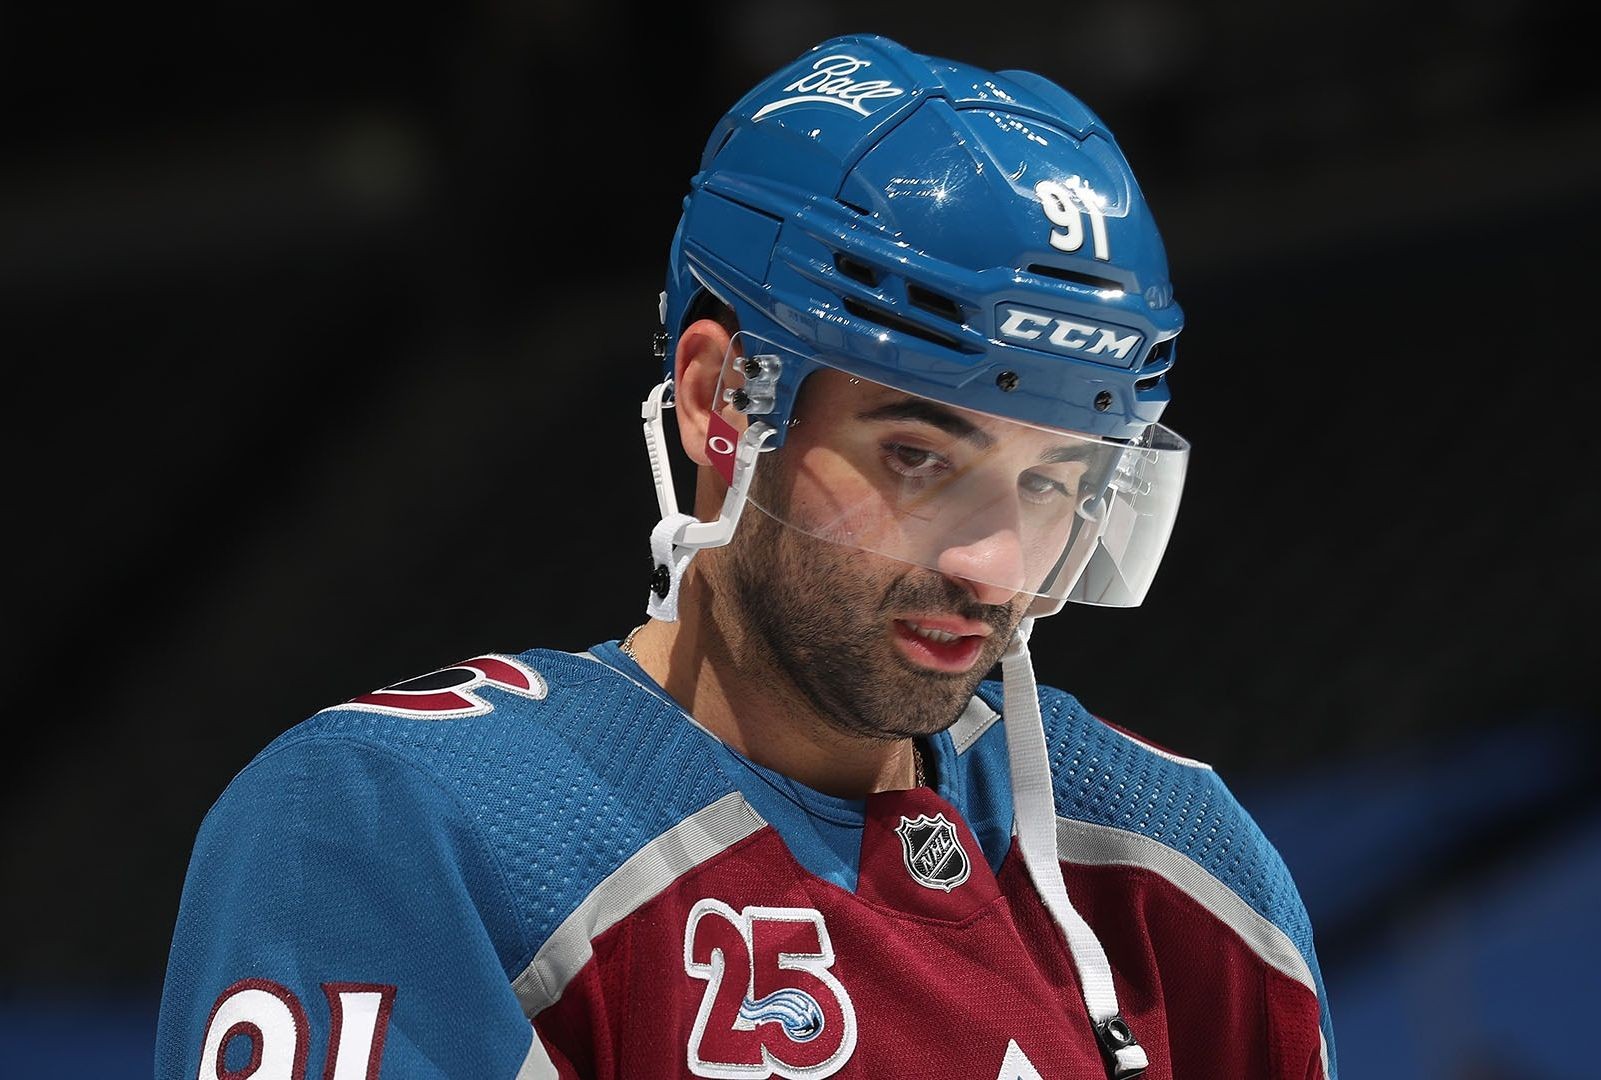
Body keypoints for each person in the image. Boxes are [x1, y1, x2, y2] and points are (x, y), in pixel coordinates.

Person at [155, 32, 1335, 1080]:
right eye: (918, 457)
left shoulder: (1176, 873)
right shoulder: (404, 828)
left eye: (1051, 481)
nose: (992, 566)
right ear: (721, 402)